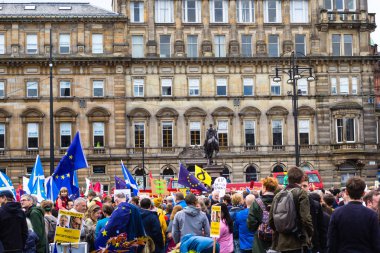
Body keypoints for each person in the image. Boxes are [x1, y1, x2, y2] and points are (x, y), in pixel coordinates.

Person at [327, 177, 380, 253]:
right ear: (363, 193)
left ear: (347, 192)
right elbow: (376, 243)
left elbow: (331, 241)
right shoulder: (372, 215)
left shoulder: (337, 213)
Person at [269, 167, 313, 253]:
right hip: (297, 241)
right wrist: (310, 233)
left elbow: (271, 220)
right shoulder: (301, 193)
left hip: (281, 243)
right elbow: (306, 218)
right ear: (302, 178)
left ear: (288, 178)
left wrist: (281, 231)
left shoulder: (278, 195)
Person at [247, 177, 278, 253]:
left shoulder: (256, 203)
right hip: (277, 240)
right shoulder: (279, 201)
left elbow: (251, 224)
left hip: (260, 243)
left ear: (264, 188)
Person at [301, 176, 324, 253]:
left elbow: (321, 227)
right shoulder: (291, 202)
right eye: (300, 186)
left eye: (304, 186)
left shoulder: (315, 204)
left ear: (308, 186)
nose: (302, 188)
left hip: (312, 244)